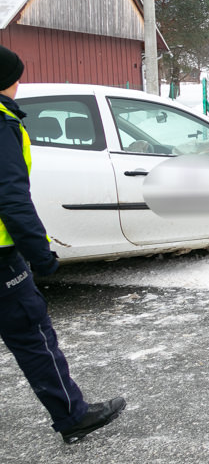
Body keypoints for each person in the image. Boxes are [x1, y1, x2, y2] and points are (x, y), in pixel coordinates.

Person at [0, 45, 125, 444]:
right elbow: (11, 199)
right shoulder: (3, 125)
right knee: (33, 336)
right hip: (2, 261)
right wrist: (40, 255)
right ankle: (72, 416)